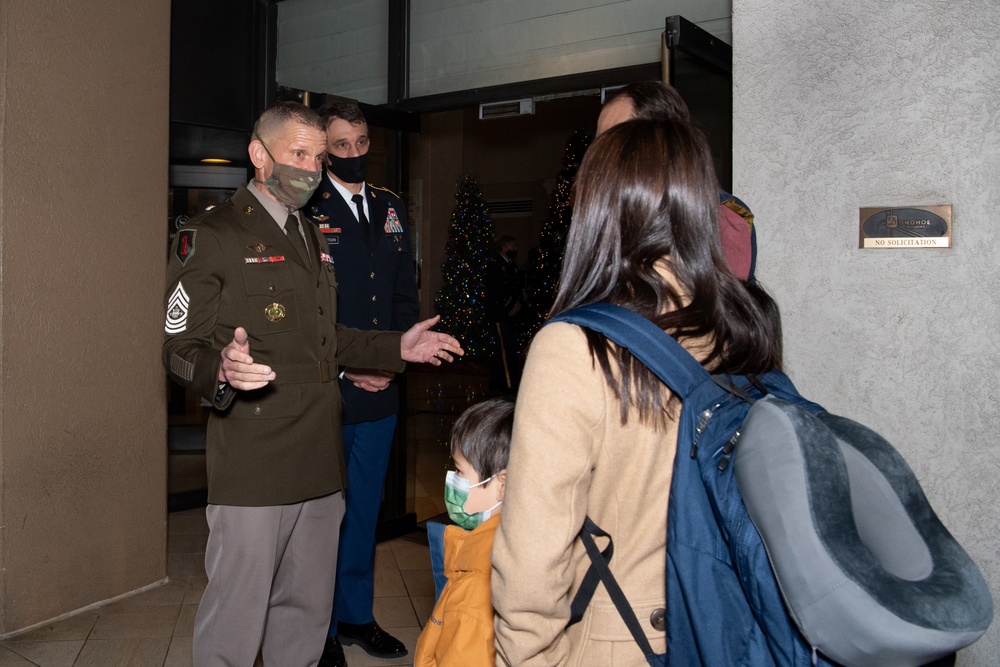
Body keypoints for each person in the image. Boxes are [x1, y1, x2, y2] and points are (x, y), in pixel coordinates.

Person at [162, 101, 463, 667]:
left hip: (321, 460)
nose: (311, 168)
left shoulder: (310, 234)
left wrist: (395, 348)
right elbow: (177, 348)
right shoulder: (212, 235)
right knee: (237, 617)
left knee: (303, 615)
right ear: (259, 155)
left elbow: (328, 336)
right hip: (255, 461)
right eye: (298, 154)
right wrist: (220, 369)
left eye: (318, 158)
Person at [490, 118, 783, 665]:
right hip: (724, 625)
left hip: (621, 639)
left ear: (598, 210)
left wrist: (524, 656)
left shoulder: (577, 346)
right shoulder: (744, 321)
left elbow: (534, 555)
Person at [304, 101, 419, 667]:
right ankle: (320, 630)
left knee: (366, 510)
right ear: (326, 150)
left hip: (384, 390)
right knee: (327, 515)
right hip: (332, 386)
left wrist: (391, 364)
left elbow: (403, 295)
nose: (353, 154)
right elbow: (307, 309)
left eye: (361, 142)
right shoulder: (307, 207)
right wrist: (352, 365)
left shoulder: (393, 208)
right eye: (341, 146)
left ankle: (355, 616)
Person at [596, 81, 758, 282]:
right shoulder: (604, 215)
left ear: (662, 139)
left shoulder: (723, 220)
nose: (603, 158)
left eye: (617, 141)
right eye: (600, 145)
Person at [413, 397, 514, 667]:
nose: (452, 480)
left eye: (460, 471)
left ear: (502, 484)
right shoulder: (513, 550)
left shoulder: (477, 585)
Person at [484, 235, 522, 391]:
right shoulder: (495, 266)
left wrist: (518, 304)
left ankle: (508, 380)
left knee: (510, 348)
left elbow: (516, 287)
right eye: (512, 246)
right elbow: (496, 292)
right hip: (500, 314)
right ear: (505, 246)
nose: (515, 249)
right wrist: (508, 307)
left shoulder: (511, 265)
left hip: (512, 315)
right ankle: (505, 383)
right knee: (503, 350)